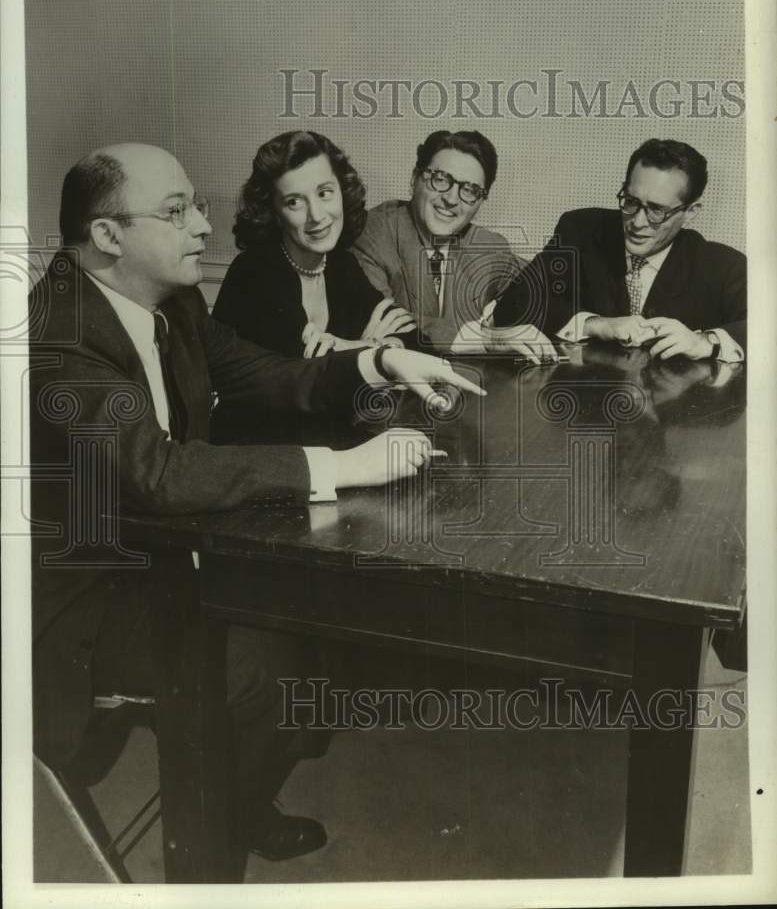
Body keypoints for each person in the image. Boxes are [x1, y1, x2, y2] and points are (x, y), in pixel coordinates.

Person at [28, 143, 485, 866]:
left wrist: (380, 360)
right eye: (176, 213)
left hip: (165, 550)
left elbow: (260, 372)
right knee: (259, 666)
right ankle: (206, 856)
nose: (203, 229)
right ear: (108, 235)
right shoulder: (57, 334)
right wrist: (344, 465)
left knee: (315, 620)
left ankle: (235, 804)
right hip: (85, 599)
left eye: (198, 208)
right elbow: (161, 476)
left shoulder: (169, 298)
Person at [489, 139, 746, 364]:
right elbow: (513, 304)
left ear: (690, 212)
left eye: (657, 210)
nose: (637, 222)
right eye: (631, 202)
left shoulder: (723, 266)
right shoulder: (581, 231)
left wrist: (706, 342)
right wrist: (595, 325)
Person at [213, 131, 416, 359]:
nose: (317, 215)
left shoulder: (341, 264)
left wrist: (353, 347)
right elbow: (305, 374)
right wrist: (373, 346)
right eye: (294, 202)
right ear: (275, 214)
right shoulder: (255, 271)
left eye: (324, 193)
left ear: (342, 191)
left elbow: (414, 337)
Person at [350, 129, 522, 351]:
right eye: (440, 180)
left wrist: (580, 324)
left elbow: (542, 288)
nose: (451, 199)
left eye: (469, 190)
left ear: (480, 201)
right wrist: (485, 338)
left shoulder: (490, 248)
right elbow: (383, 321)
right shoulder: (374, 233)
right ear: (415, 178)